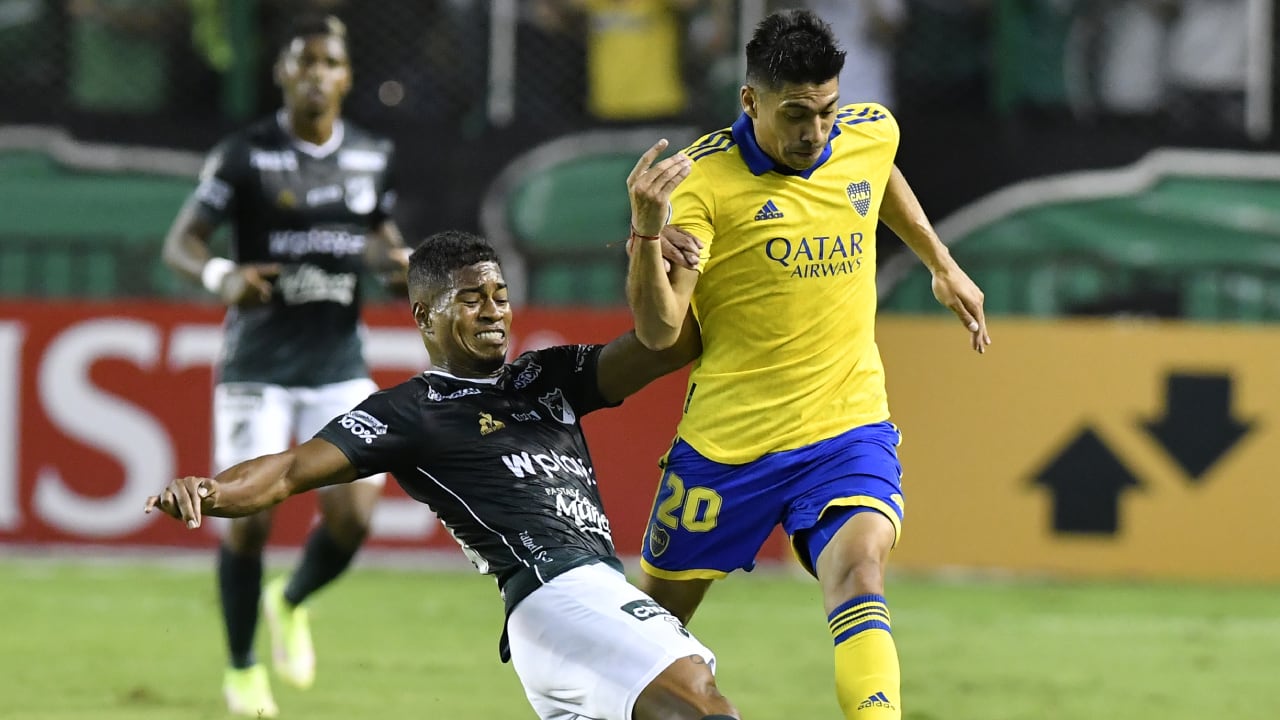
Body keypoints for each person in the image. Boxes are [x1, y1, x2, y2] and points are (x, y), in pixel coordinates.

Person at [146, 227, 741, 720]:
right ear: (425, 315)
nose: (493, 311)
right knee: (705, 710)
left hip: (583, 603)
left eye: (501, 295)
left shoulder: (548, 376)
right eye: (471, 298)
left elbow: (663, 347)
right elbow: (289, 470)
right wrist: (211, 489)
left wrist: (673, 268)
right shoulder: (413, 412)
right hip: (557, 595)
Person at [624, 9, 990, 719]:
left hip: (844, 426)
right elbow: (661, 329)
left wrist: (940, 263)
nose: (815, 132)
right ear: (750, 101)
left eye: (826, 111)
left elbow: (874, 174)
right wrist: (646, 233)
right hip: (730, 446)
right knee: (644, 634)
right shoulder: (701, 186)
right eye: (796, 114)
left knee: (859, 571)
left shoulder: (868, 132)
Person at [159, 14, 411, 718]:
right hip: (259, 368)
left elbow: (386, 241)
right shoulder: (244, 155)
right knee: (245, 522)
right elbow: (180, 242)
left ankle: (290, 600)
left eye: (329, 62)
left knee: (356, 518)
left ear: (346, 76)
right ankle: (242, 670)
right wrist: (220, 276)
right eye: (303, 61)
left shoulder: (370, 154)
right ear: (282, 73)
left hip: (337, 364)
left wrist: (403, 271)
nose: (316, 74)